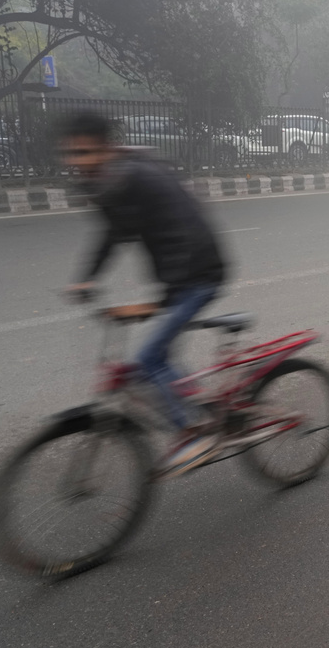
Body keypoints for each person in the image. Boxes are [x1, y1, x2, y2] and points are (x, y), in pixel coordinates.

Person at [61, 111, 228, 477]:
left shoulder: (140, 177)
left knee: (149, 358)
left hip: (201, 273)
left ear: (105, 148)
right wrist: (87, 280)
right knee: (160, 356)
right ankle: (204, 408)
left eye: (85, 153)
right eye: (72, 154)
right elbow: (112, 233)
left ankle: (191, 433)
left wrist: (164, 297)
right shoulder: (112, 182)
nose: (77, 163)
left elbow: (185, 230)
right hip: (178, 277)